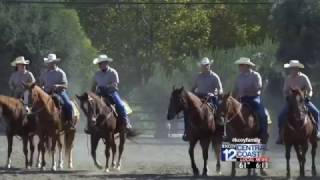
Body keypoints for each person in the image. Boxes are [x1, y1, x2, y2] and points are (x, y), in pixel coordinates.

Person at [276, 60, 320, 144]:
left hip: (303, 100)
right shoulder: (288, 79)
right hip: (291, 101)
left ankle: (317, 132)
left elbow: (310, 90)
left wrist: (308, 97)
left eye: (294, 68)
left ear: (298, 69)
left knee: (316, 112)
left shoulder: (304, 77)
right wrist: (287, 97)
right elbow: (285, 90)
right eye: (291, 69)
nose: (293, 70)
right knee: (281, 116)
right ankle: (280, 135)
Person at [181, 57, 223, 141]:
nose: (205, 67)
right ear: (201, 66)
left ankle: (221, 132)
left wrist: (217, 93)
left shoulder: (214, 77)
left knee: (219, 110)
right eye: (203, 65)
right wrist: (189, 95)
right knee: (187, 111)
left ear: (209, 65)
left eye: (206, 65)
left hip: (210, 97)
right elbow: (193, 88)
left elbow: (220, 89)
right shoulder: (198, 76)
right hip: (198, 97)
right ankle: (186, 131)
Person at [89, 54, 132, 134]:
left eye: (101, 63)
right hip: (99, 93)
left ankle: (126, 122)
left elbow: (115, 84)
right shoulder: (97, 74)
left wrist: (107, 87)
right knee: (91, 105)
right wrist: (92, 95)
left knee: (120, 105)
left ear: (106, 63)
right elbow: (94, 86)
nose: (100, 65)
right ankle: (90, 124)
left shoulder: (113, 72)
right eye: (99, 64)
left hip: (111, 92)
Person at [233, 57, 268, 142]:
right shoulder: (239, 77)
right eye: (239, 65)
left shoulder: (255, 75)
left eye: (241, 65)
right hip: (242, 99)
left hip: (253, 98)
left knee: (262, 114)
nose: (239, 67)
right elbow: (235, 89)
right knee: (230, 113)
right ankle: (229, 133)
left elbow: (258, 87)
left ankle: (263, 134)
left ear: (247, 66)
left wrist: (248, 90)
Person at [39, 53, 74, 129]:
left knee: (68, 104)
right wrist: (42, 87)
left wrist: (58, 86)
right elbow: (41, 84)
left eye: (51, 63)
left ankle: (69, 122)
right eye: (48, 63)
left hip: (59, 92)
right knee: (36, 105)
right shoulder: (44, 73)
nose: (49, 64)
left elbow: (66, 86)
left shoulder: (61, 73)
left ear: (54, 63)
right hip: (46, 93)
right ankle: (36, 123)